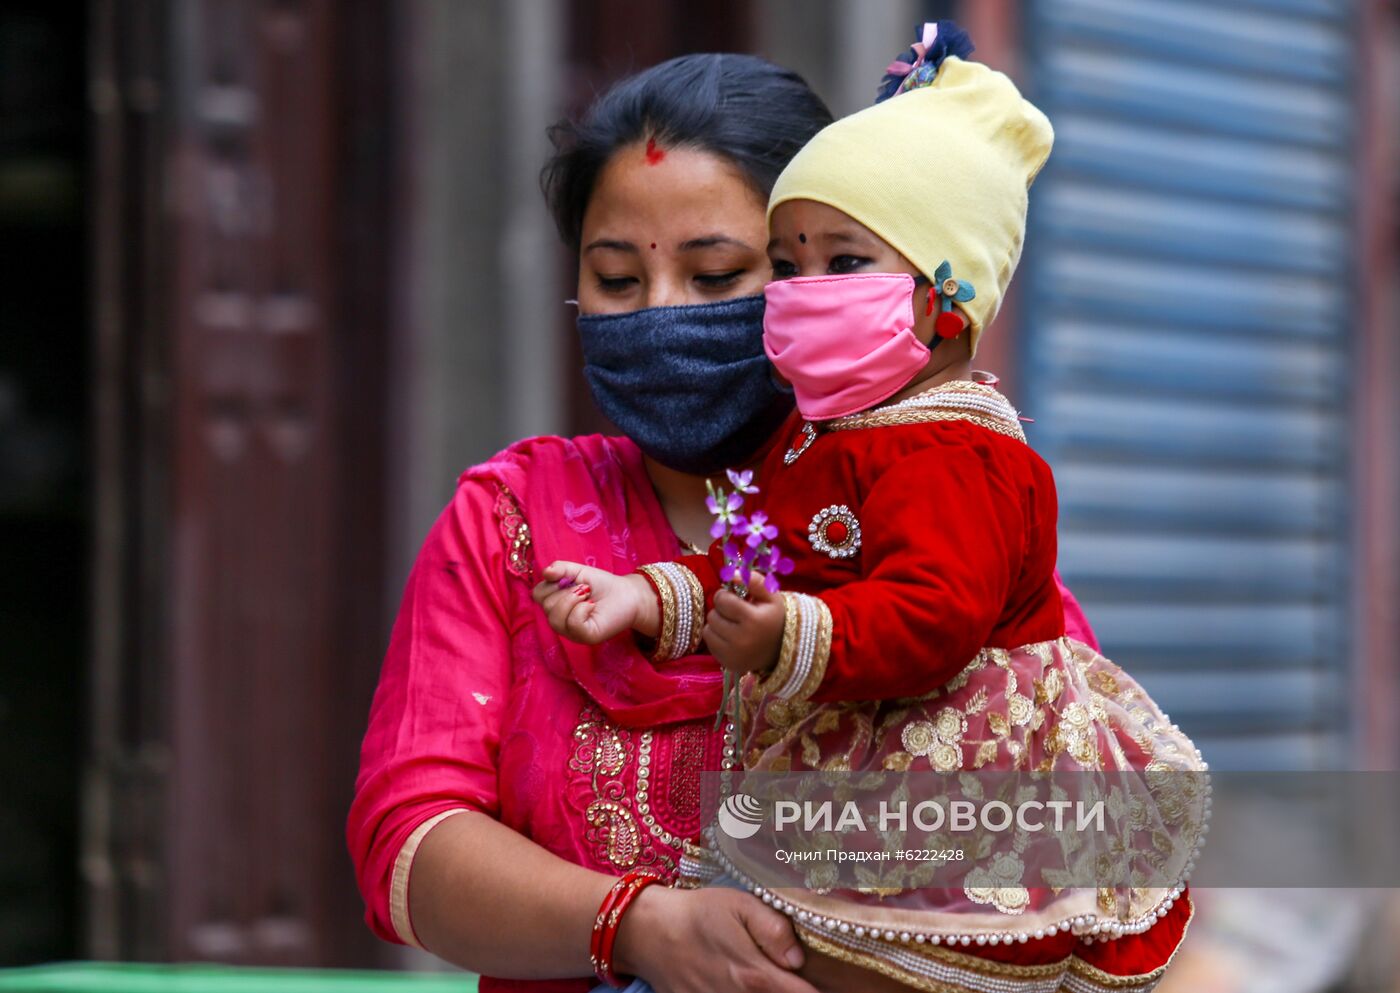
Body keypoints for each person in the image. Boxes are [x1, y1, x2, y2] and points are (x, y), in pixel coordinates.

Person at [348, 48, 1100, 993]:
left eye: (718, 276)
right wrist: (637, 926)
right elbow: (407, 839)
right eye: (618, 281)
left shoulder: (936, 506)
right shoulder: (512, 521)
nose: (661, 316)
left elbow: (1077, 828)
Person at [534, 24, 1206, 993]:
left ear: (943, 304)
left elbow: (933, 613)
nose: (802, 293)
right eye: (788, 262)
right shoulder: (818, 438)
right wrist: (645, 600)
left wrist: (790, 633)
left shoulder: (958, 455)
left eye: (842, 265)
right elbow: (759, 556)